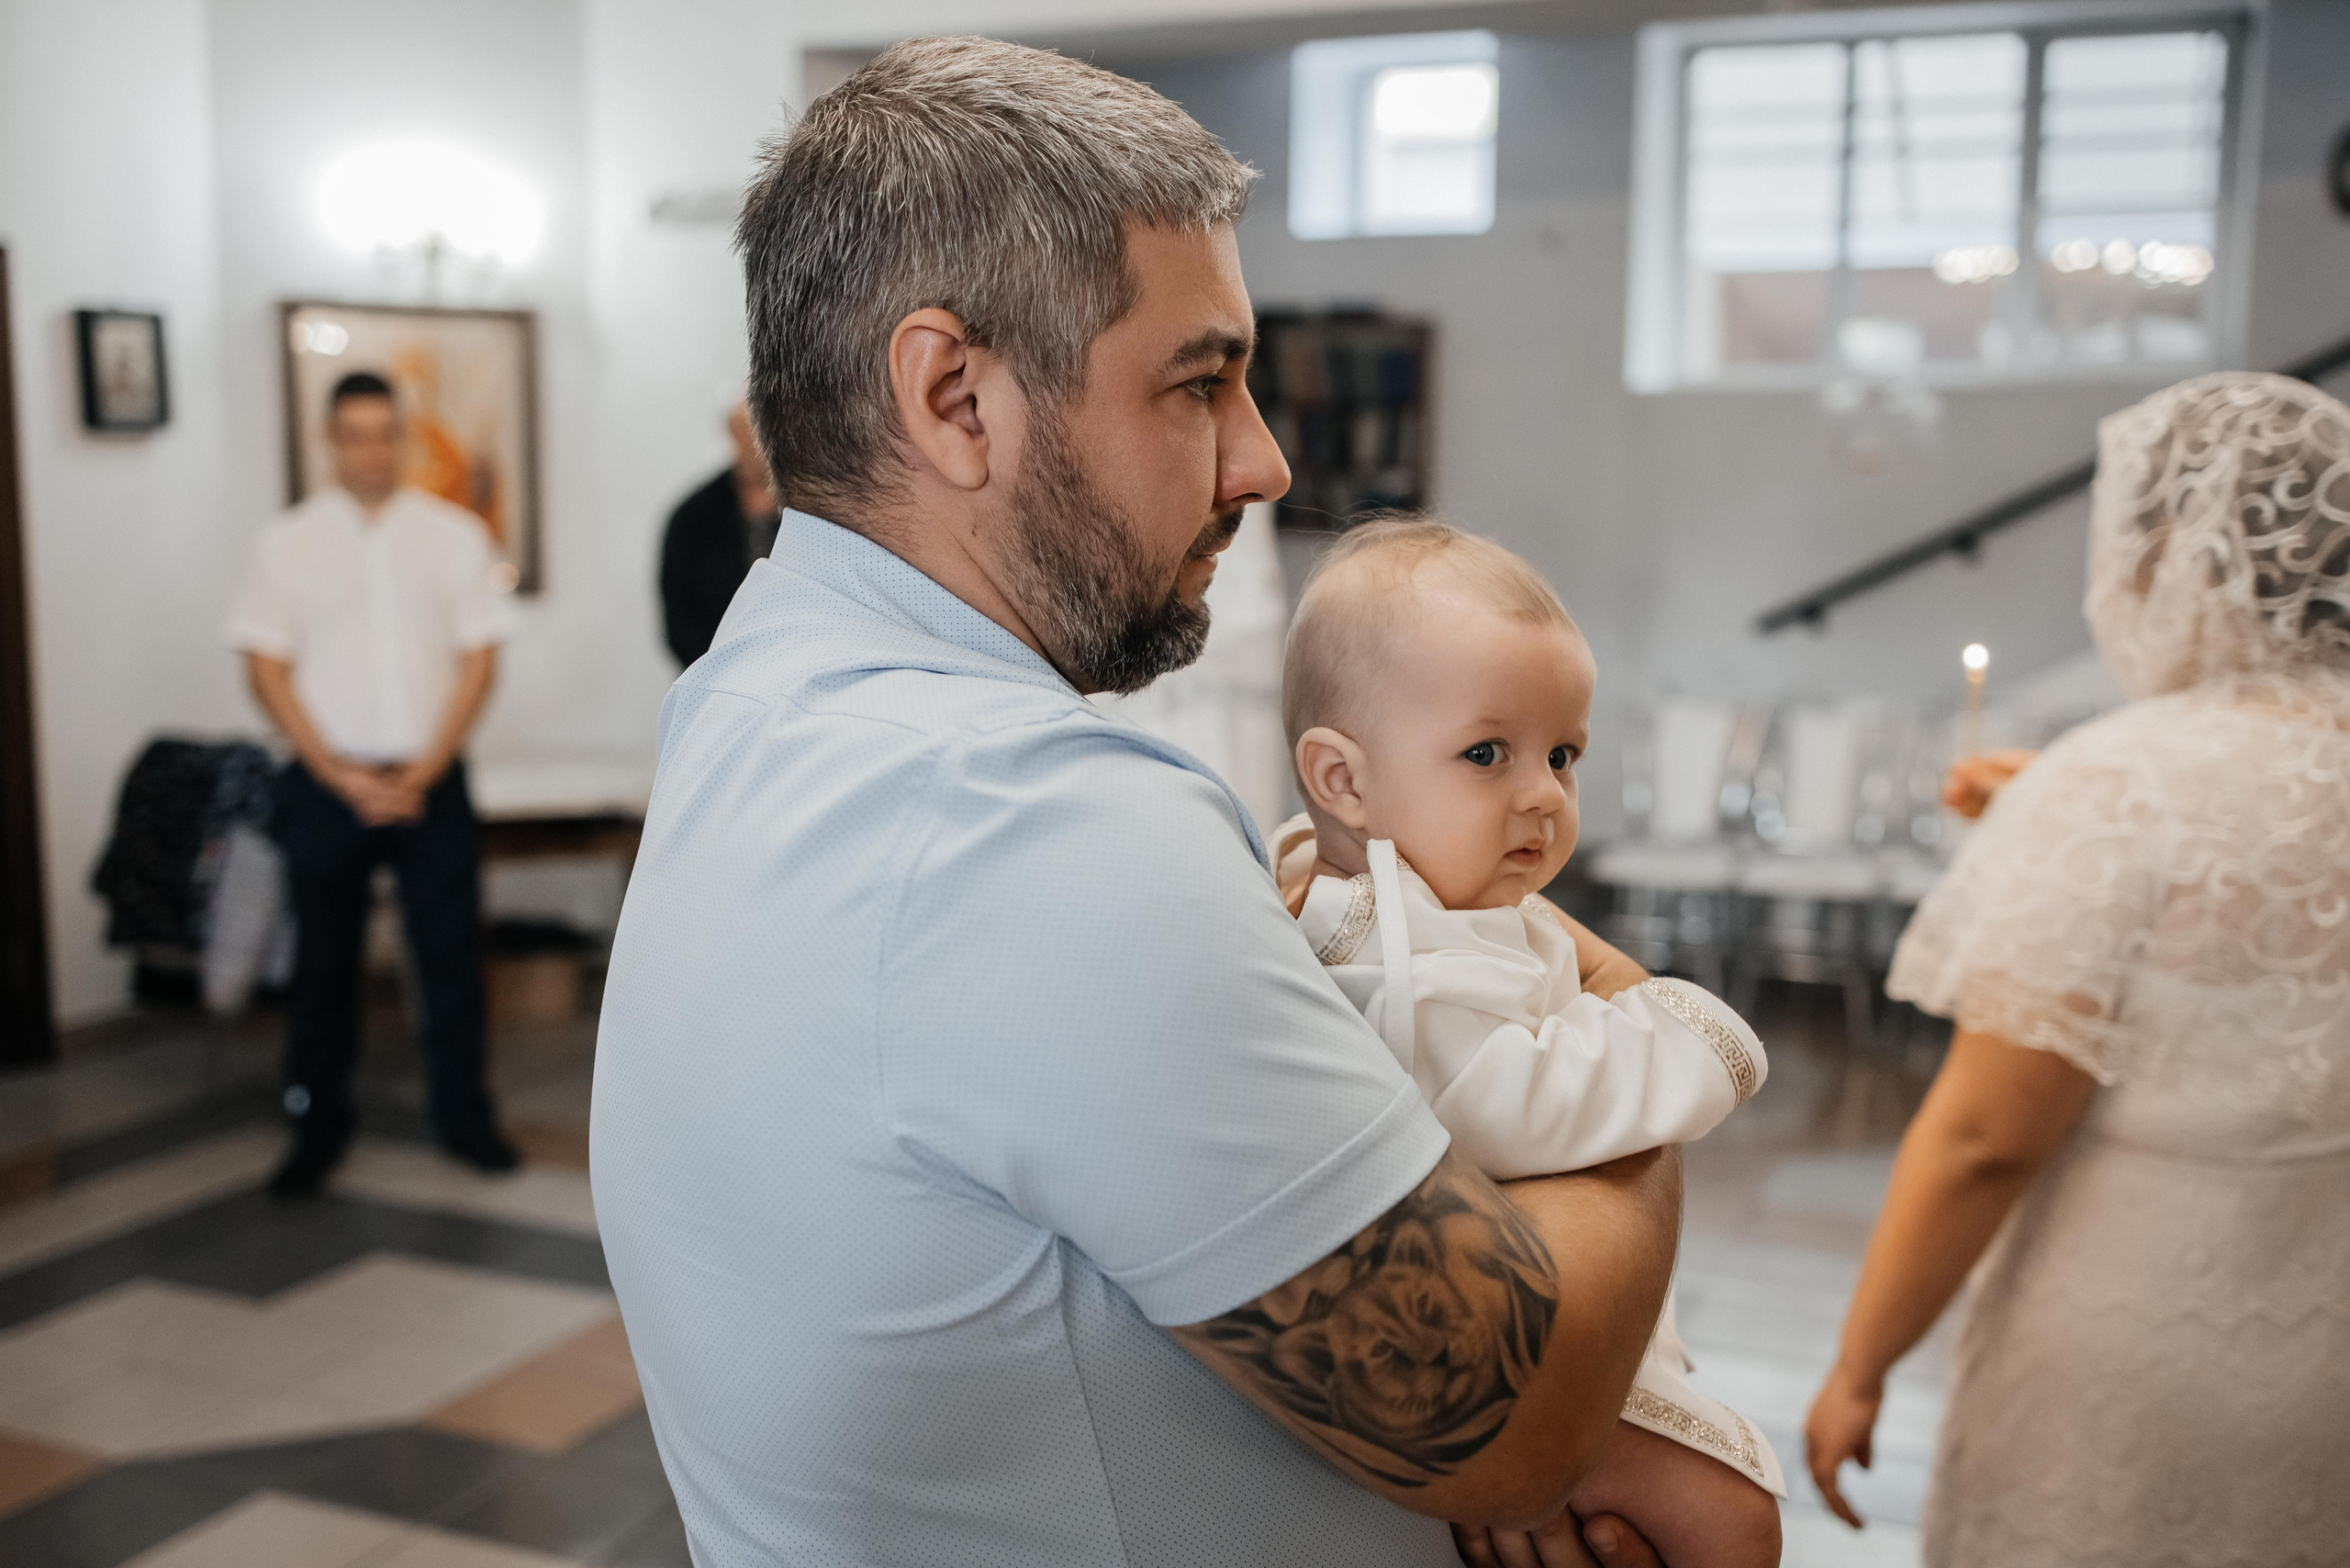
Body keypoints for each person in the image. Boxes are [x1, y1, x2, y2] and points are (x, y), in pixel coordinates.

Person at [592, 39, 1682, 1568]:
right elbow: (1506, 1420)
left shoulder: (752, 690)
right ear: (954, 395)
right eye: (1200, 380)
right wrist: (1627, 1048)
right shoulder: (1036, 820)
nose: (1263, 458)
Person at [1803, 371, 2350, 1565]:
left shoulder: (2118, 781)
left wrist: (1861, 1360)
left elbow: (1987, 1137)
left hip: (2140, 1347)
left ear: (2175, 558)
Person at [1268, 519, 1784, 1568]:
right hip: (1487, 1323)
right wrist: (1678, 1034)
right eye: (1487, 753)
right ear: (1343, 782)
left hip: (1536, 1288)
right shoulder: (1393, 945)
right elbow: (1499, 1101)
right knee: (1734, 1524)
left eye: (1563, 754)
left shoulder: (1427, 898)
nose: (1544, 794)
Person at [228, 370, 520, 1198]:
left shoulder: (455, 536)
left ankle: (466, 1119)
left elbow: (481, 659)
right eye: (353, 434)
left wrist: (423, 768)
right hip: (327, 786)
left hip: (432, 781)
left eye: (384, 432)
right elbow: (265, 668)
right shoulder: (284, 543)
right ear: (332, 441)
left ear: (402, 436)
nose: (370, 448)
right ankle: (317, 1128)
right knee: (322, 964)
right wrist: (341, 774)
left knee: (450, 959)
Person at [657, 399, 780, 666]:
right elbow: (680, 616)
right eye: (744, 433)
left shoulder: (809, 507)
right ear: (731, 436)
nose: (753, 445)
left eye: (760, 432)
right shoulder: (693, 517)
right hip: (719, 672)